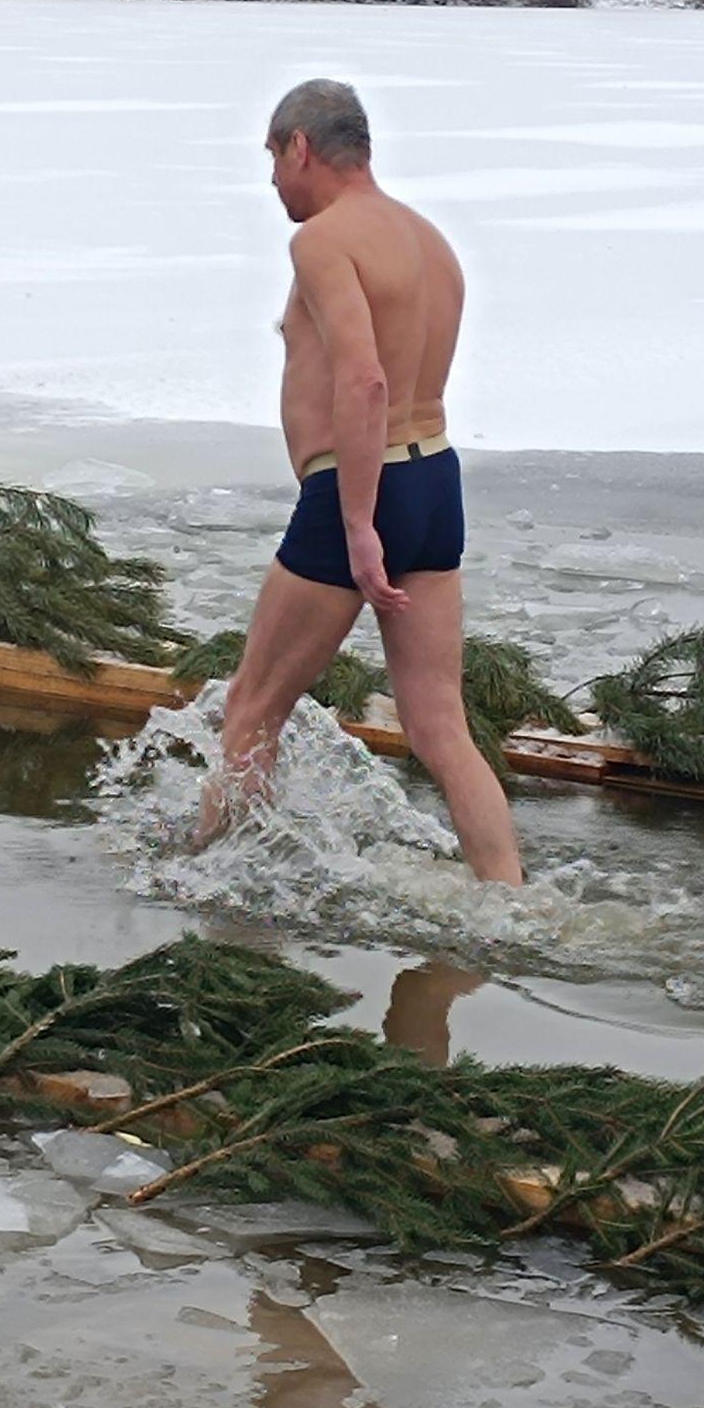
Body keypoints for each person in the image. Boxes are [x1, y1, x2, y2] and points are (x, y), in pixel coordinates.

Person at [192, 79, 525, 885]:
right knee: (440, 727)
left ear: (301, 146)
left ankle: (211, 893)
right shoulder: (430, 241)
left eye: (274, 158)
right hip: (435, 482)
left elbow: (365, 381)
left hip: (359, 486)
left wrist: (356, 523)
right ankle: (512, 900)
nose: (273, 180)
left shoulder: (324, 241)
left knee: (252, 707)